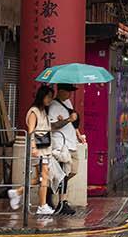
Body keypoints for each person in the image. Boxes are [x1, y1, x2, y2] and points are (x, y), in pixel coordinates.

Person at [49, 90, 86, 215]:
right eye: (68, 91)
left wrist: (79, 135)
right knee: (64, 173)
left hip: (72, 142)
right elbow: (53, 125)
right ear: (60, 90)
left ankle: (51, 189)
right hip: (61, 144)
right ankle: (62, 202)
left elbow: (74, 124)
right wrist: (68, 119)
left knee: (73, 171)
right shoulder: (53, 106)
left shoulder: (68, 102)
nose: (70, 94)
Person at [24, 85, 57, 215]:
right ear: (41, 96)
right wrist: (33, 148)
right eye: (48, 96)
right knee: (44, 177)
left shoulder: (44, 111)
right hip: (38, 149)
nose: (50, 99)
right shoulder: (34, 111)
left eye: (51, 97)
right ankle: (42, 206)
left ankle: (17, 192)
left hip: (45, 149)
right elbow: (30, 131)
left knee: (40, 178)